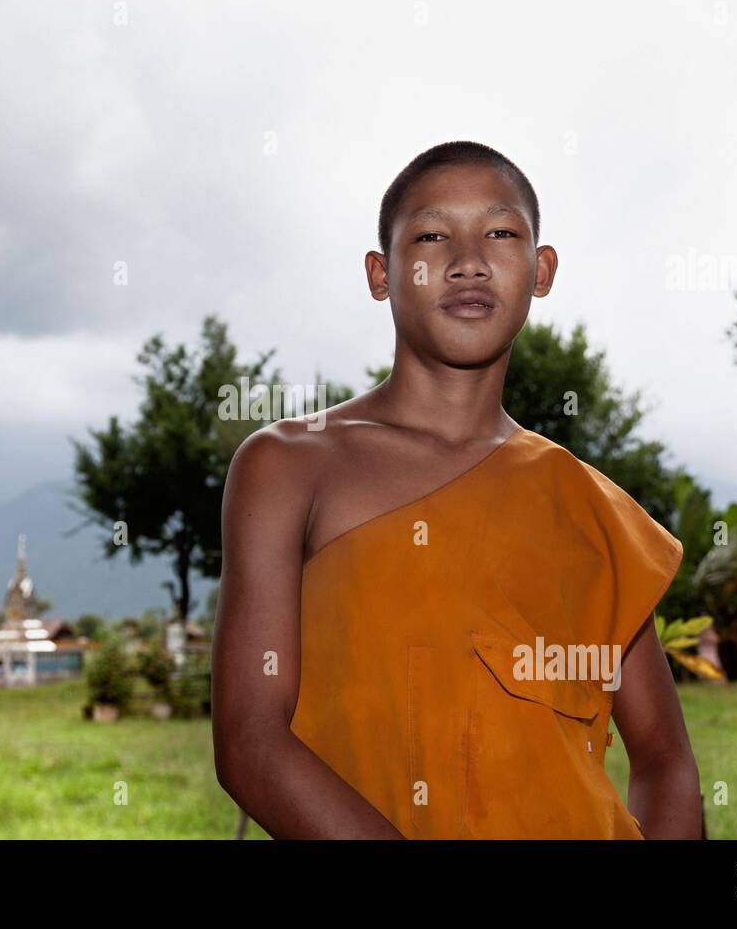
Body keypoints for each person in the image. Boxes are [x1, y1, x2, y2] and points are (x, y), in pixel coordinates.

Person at [211, 141, 701, 839]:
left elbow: (664, 757)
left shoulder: (588, 505)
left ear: (542, 270)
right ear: (381, 274)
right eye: (433, 235)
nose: (468, 260)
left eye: (501, 233)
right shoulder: (291, 465)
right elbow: (250, 739)